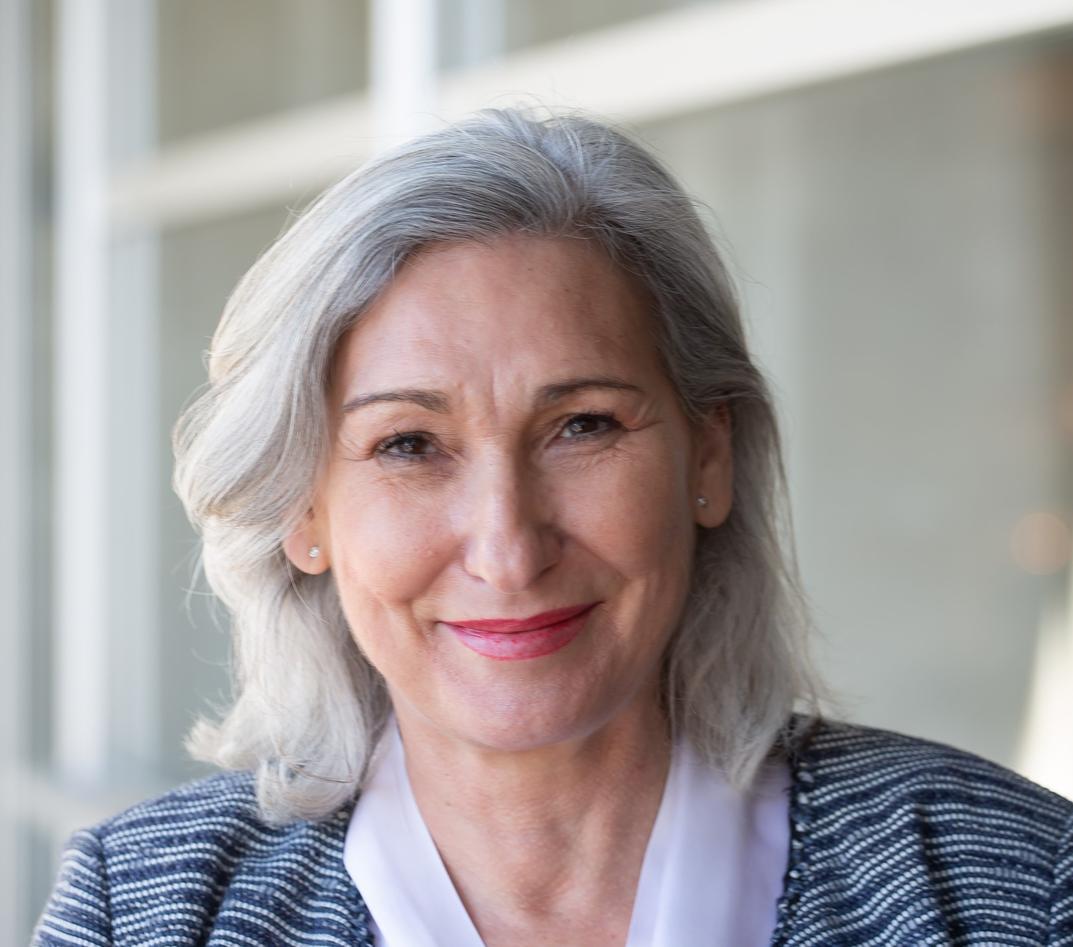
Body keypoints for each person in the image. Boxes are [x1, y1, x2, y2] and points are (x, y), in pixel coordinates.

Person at [34, 108, 1072, 947]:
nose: (507, 546)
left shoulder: (1014, 887)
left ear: (708, 456)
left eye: (583, 426)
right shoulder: (147, 910)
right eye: (408, 443)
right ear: (302, 508)